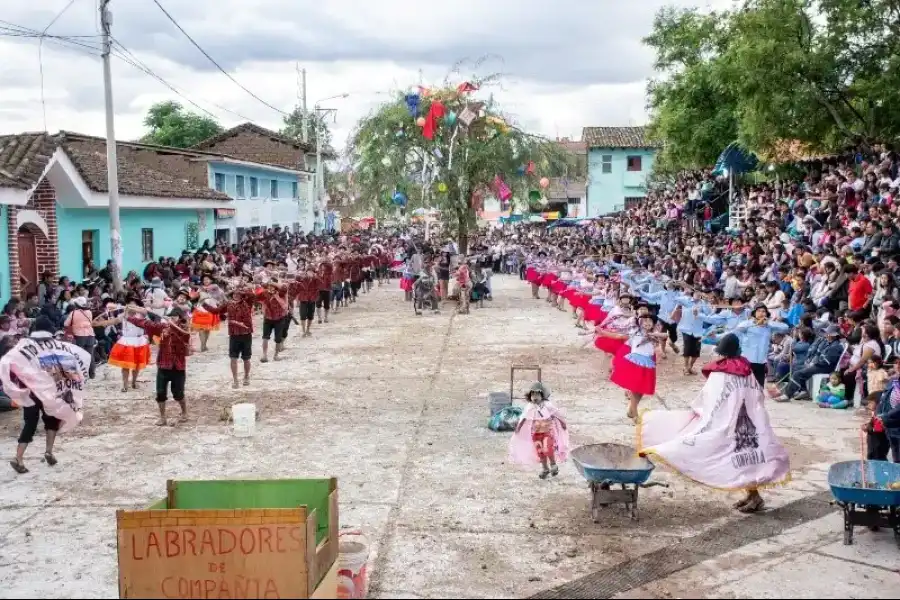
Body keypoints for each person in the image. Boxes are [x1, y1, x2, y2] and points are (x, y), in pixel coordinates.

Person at [638, 333, 790, 514]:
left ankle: (755, 497)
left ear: (723, 352)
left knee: (729, 457)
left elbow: (710, 397)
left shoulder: (722, 373)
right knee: (743, 458)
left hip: (728, 422)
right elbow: (756, 395)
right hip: (749, 421)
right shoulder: (746, 369)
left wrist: (701, 411)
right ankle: (753, 496)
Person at [2, 316, 91, 474]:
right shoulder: (57, 346)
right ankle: (49, 451)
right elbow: (69, 369)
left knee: (30, 423)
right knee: (52, 419)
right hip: (50, 391)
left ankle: (18, 457)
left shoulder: (24, 346)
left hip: (30, 392)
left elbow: (9, 362)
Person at [126, 305, 191, 426]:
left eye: (176, 316)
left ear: (181, 318)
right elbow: (145, 324)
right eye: (171, 316)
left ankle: (184, 412)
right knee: (160, 393)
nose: (173, 318)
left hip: (178, 366)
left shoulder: (185, 329)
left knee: (178, 393)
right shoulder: (162, 327)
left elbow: (185, 338)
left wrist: (175, 325)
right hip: (163, 364)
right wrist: (129, 318)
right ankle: (162, 418)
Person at [609, 314, 669, 419]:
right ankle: (635, 412)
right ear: (640, 323)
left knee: (642, 389)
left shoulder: (654, 334)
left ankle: (632, 408)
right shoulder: (634, 332)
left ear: (653, 324)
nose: (647, 323)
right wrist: (603, 332)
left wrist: (653, 335)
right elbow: (618, 335)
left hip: (648, 363)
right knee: (633, 386)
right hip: (634, 361)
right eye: (644, 321)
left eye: (650, 321)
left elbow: (665, 335)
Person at [509, 382, 570, 479]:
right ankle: (545, 468)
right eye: (532, 394)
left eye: (537, 394)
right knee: (540, 451)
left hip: (547, 432)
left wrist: (562, 422)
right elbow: (524, 417)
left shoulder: (547, 405)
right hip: (536, 434)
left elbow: (556, 414)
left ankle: (553, 465)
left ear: (542, 395)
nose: (535, 397)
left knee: (548, 448)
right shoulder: (530, 407)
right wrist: (519, 427)